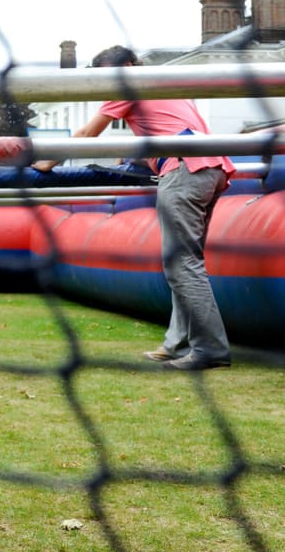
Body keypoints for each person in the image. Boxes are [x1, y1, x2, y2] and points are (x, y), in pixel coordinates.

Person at [32, 45, 235, 371]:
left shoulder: (130, 82)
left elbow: (87, 133)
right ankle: (176, 343)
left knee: (182, 266)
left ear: (127, 65)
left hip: (184, 172)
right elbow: (170, 129)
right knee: (186, 263)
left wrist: (44, 164)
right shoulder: (167, 87)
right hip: (211, 169)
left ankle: (210, 349)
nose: (107, 87)